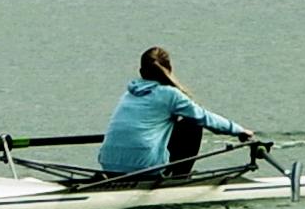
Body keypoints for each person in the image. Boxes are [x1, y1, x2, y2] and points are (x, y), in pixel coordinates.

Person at [97, 46, 248, 179]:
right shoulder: (170, 95)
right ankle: (180, 178)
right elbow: (205, 117)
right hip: (145, 167)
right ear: (169, 69)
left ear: (141, 72)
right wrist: (239, 130)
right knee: (192, 124)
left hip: (109, 164)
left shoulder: (129, 94)